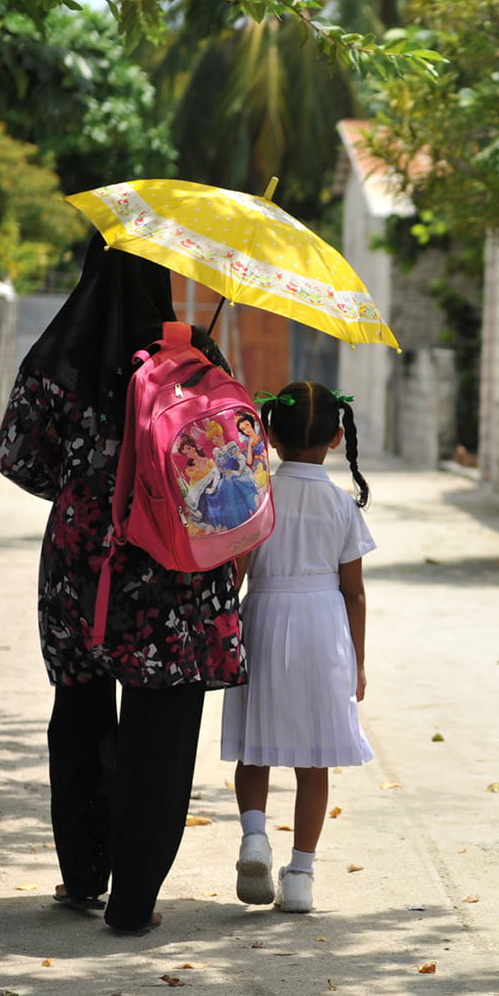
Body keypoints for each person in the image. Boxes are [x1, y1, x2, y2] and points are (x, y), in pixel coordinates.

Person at [0, 247, 246, 936]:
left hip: (82, 561)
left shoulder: (57, 356)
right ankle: (133, 902)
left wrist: (81, 483)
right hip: (172, 566)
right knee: (161, 726)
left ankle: (83, 875)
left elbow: (16, 455)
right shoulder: (192, 354)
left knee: (79, 708)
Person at [220, 381, 374, 913]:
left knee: (254, 746)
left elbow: (236, 575)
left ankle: (254, 838)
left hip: (263, 618)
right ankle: (302, 875)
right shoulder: (341, 505)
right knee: (315, 762)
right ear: (337, 437)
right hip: (322, 627)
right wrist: (357, 662)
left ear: (270, 435)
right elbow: (354, 593)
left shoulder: (256, 496)